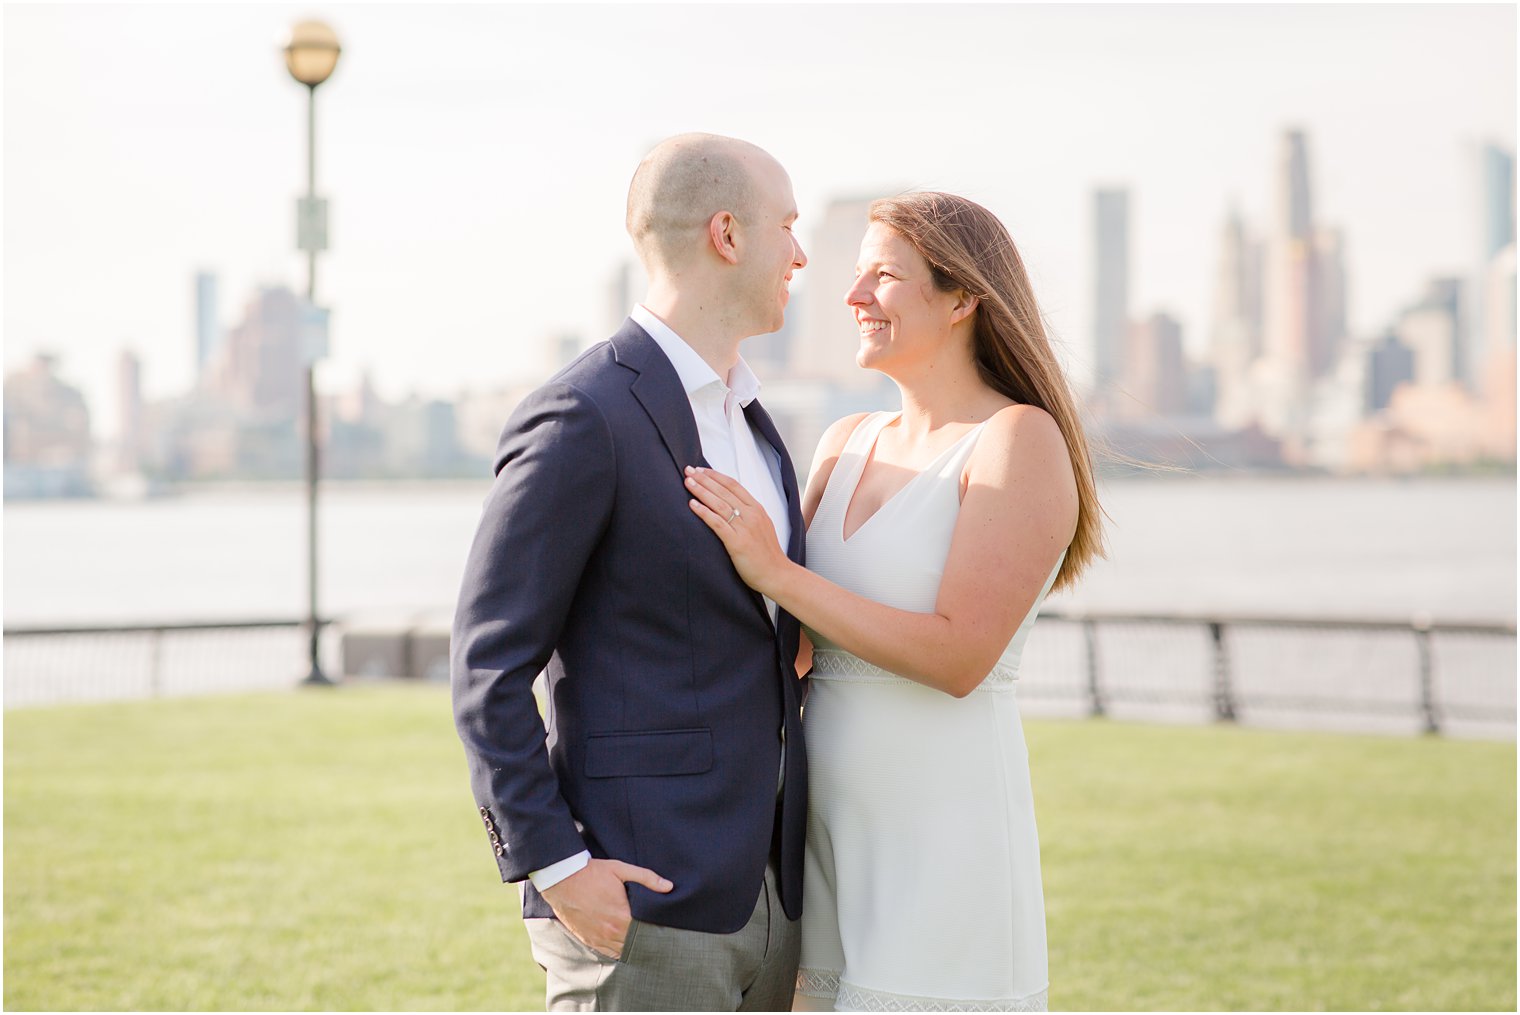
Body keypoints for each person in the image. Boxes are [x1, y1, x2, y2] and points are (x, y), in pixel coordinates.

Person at [683, 191, 1105, 1012]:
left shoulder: (1018, 439)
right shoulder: (845, 443)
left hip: (943, 830)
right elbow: (797, 643)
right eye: (855, 275)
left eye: (884, 276)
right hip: (822, 836)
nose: (852, 297)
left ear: (962, 298)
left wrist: (777, 572)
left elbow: (958, 656)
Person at [451, 133, 810, 1012]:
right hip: (643, 906)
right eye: (788, 227)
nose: (801, 255)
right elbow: (487, 666)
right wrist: (556, 862)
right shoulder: (583, 413)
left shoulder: (757, 423)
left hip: (776, 900)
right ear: (728, 233)